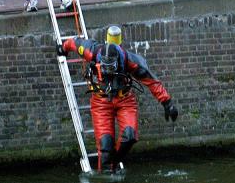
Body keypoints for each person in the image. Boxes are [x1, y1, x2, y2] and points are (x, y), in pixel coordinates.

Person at [56, 26, 178, 173]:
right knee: (105, 146)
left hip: (125, 100)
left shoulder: (132, 61)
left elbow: (152, 81)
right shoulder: (91, 51)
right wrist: (63, 48)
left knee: (130, 136)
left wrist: (167, 103)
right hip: (101, 101)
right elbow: (75, 43)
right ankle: (108, 169)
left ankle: (114, 164)